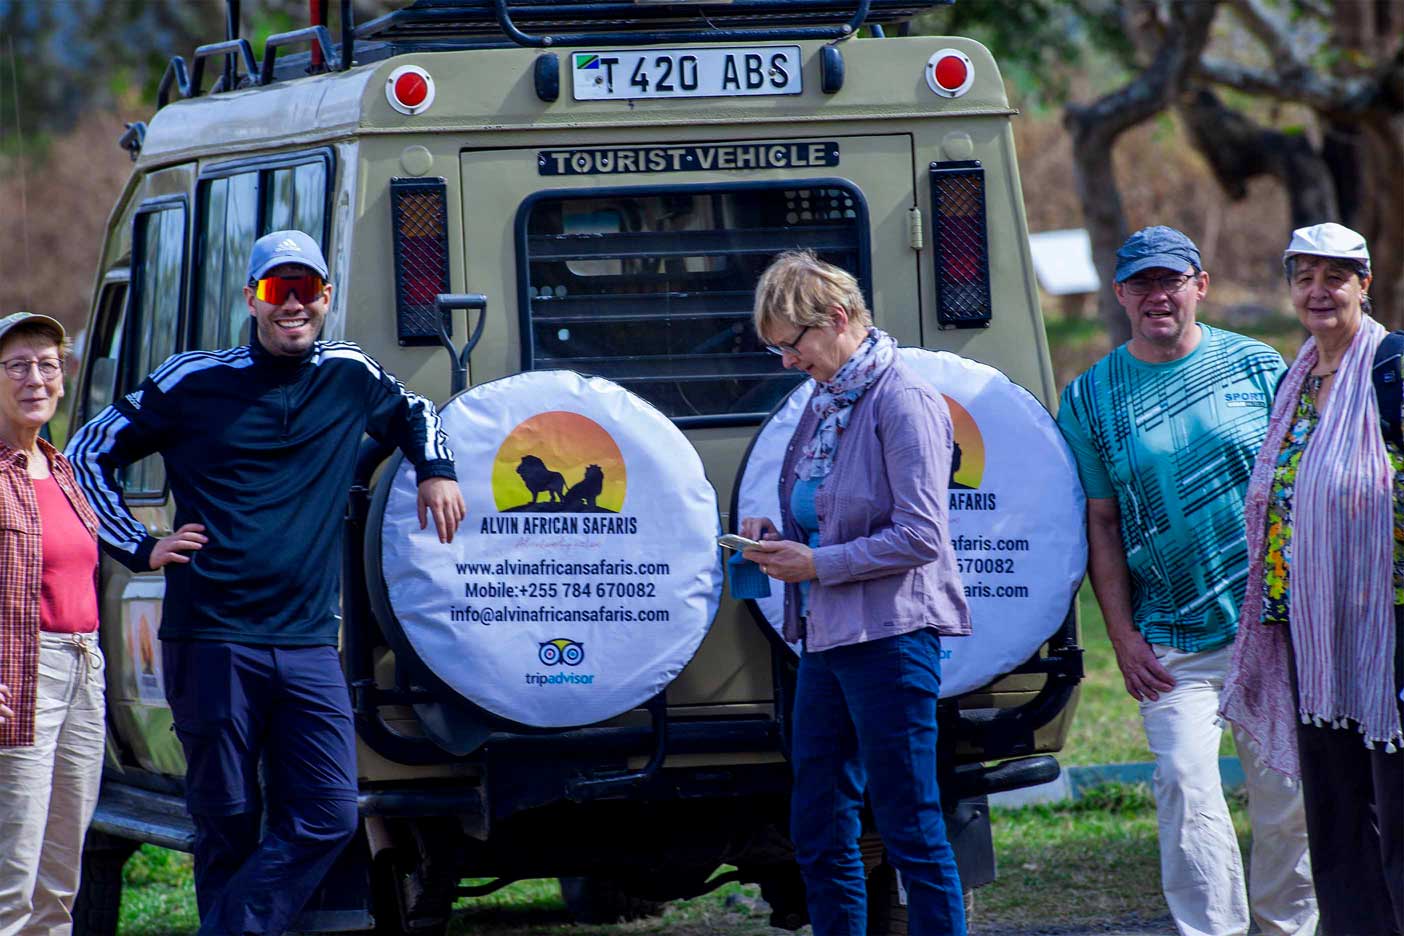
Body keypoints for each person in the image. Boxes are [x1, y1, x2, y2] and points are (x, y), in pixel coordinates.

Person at [67, 230, 466, 935]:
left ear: (326, 297)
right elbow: (84, 454)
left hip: (310, 643)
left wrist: (437, 470)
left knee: (329, 813)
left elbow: (417, 411)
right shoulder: (193, 380)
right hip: (211, 639)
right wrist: (139, 543)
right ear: (251, 298)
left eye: (305, 289)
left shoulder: (349, 374)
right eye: (277, 290)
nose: (293, 305)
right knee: (225, 820)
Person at [1058, 226, 1318, 936]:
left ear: (1200, 285)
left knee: (1287, 797)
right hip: (1171, 638)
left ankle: (1286, 928)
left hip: (1269, 626)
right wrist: (1121, 634)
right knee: (1184, 785)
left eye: (1171, 280)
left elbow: (1302, 487)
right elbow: (1101, 524)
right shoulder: (1089, 397)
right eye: (1141, 283)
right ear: (1120, 295)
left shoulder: (1259, 367)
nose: (1157, 296)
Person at [738, 249, 971, 935]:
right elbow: (829, 515)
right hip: (825, 638)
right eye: (777, 349)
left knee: (910, 827)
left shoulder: (904, 401)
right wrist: (773, 536)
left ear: (837, 319)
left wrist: (816, 564)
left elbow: (921, 536)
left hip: (891, 640)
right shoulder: (824, 400)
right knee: (817, 825)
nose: (786, 362)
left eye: (791, 344)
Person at [1222, 222, 1403, 934]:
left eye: (1335, 277)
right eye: (1304, 277)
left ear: (1365, 283)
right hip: (1313, 629)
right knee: (1332, 807)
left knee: (1397, 803)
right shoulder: (1295, 378)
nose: (1318, 291)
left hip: (1388, 624)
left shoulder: (1391, 369)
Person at [0, 311, 105, 935]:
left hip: (84, 671)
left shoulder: (63, 470)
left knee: (59, 881)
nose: (34, 378)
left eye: (46, 364)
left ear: (64, 378)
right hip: (20, 678)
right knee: (12, 880)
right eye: (16, 366)